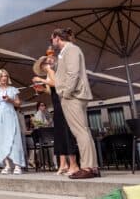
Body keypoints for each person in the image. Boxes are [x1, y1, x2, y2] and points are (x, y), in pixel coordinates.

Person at [51, 28, 99, 179]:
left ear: (57, 38)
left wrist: (66, 93)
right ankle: (92, 166)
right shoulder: (66, 52)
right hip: (75, 95)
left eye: (52, 39)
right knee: (83, 130)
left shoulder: (70, 49)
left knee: (79, 131)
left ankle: (87, 167)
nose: (52, 42)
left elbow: (73, 73)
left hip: (73, 96)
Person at [33, 55, 79, 176]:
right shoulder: (49, 72)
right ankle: (63, 164)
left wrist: (41, 80)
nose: (43, 68)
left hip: (62, 103)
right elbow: (51, 90)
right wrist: (42, 89)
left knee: (66, 132)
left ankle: (73, 164)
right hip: (56, 104)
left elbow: (55, 83)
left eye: (42, 66)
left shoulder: (51, 71)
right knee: (60, 134)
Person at [0, 69, 26, 174]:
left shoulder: (13, 89)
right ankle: (7, 165)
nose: (3, 78)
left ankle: (17, 165)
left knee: (14, 139)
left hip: (10, 115)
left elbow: (18, 104)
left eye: (5, 76)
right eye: (1, 76)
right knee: (1, 140)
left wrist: (11, 100)